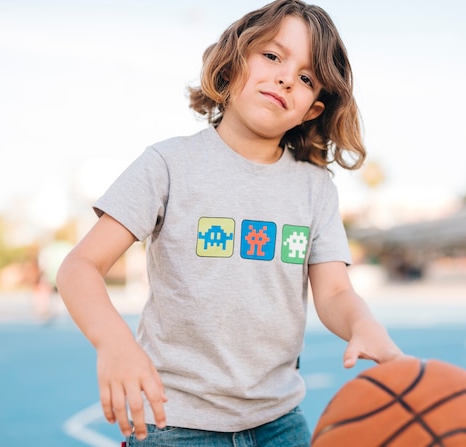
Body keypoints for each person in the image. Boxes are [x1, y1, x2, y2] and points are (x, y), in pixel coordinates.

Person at [56, 1, 407, 445]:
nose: (285, 77)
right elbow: (78, 268)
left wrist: (363, 325)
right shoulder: (168, 164)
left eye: (305, 78)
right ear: (233, 59)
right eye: (273, 56)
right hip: (174, 419)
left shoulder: (315, 189)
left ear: (312, 110)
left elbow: (335, 291)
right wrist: (115, 343)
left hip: (279, 421)